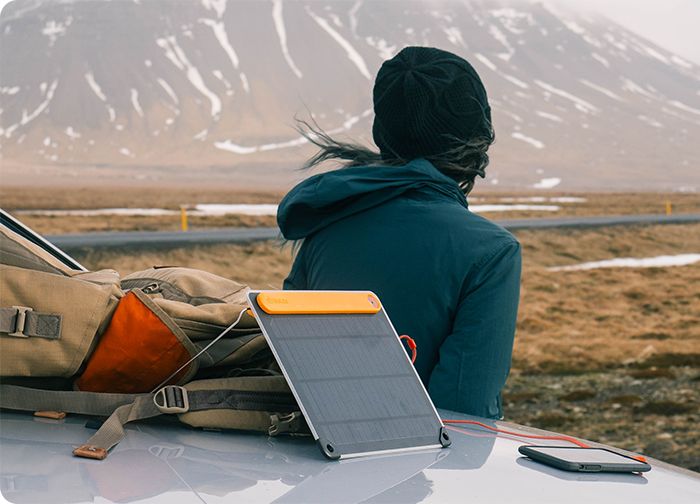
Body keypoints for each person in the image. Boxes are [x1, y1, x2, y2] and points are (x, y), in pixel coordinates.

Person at [277, 46, 521, 419]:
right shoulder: (491, 252)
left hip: (316, 461)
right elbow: (466, 414)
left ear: (384, 132)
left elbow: (292, 367)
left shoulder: (326, 220)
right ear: (476, 134)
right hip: (418, 470)